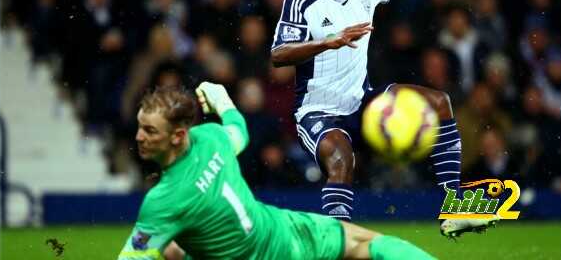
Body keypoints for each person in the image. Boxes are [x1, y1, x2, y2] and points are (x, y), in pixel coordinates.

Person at [270, 0, 496, 236]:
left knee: (439, 102)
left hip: (362, 101)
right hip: (317, 111)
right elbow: (278, 55)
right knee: (341, 161)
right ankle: (338, 245)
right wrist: (327, 42)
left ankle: (454, 207)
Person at [117, 83, 436, 259]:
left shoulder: (164, 200)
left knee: (173, 249)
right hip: (279, 233)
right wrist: (221, 98)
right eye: (140, 128)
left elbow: (134, 257)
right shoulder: (210, 138)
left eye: (149, 130)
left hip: (273, 240)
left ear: (177, 136)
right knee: (367, 246)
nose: (139, 137)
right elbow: (238, 128)